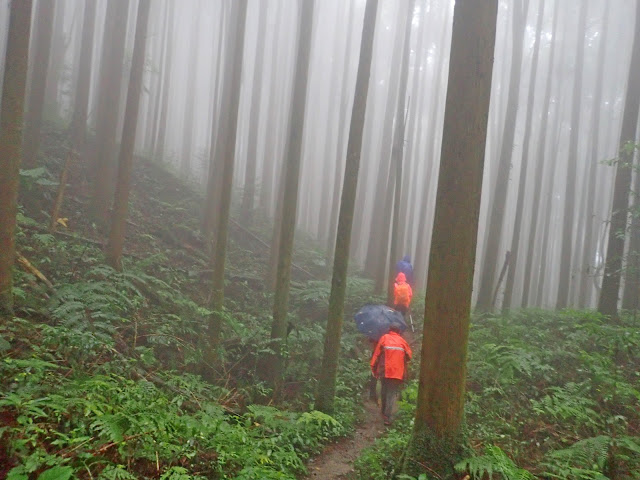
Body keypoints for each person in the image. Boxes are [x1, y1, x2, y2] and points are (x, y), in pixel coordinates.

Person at [370, 324, 412, 425]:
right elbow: (409, 356)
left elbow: (376, 354)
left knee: (384, 390)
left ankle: (383, 411)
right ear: (398, 331)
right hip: (397, 372)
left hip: (385, 371)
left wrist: (373, 367)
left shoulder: (384, 338)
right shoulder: (402, 341)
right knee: (391, 394)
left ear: (390, 330)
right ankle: (387, 417)